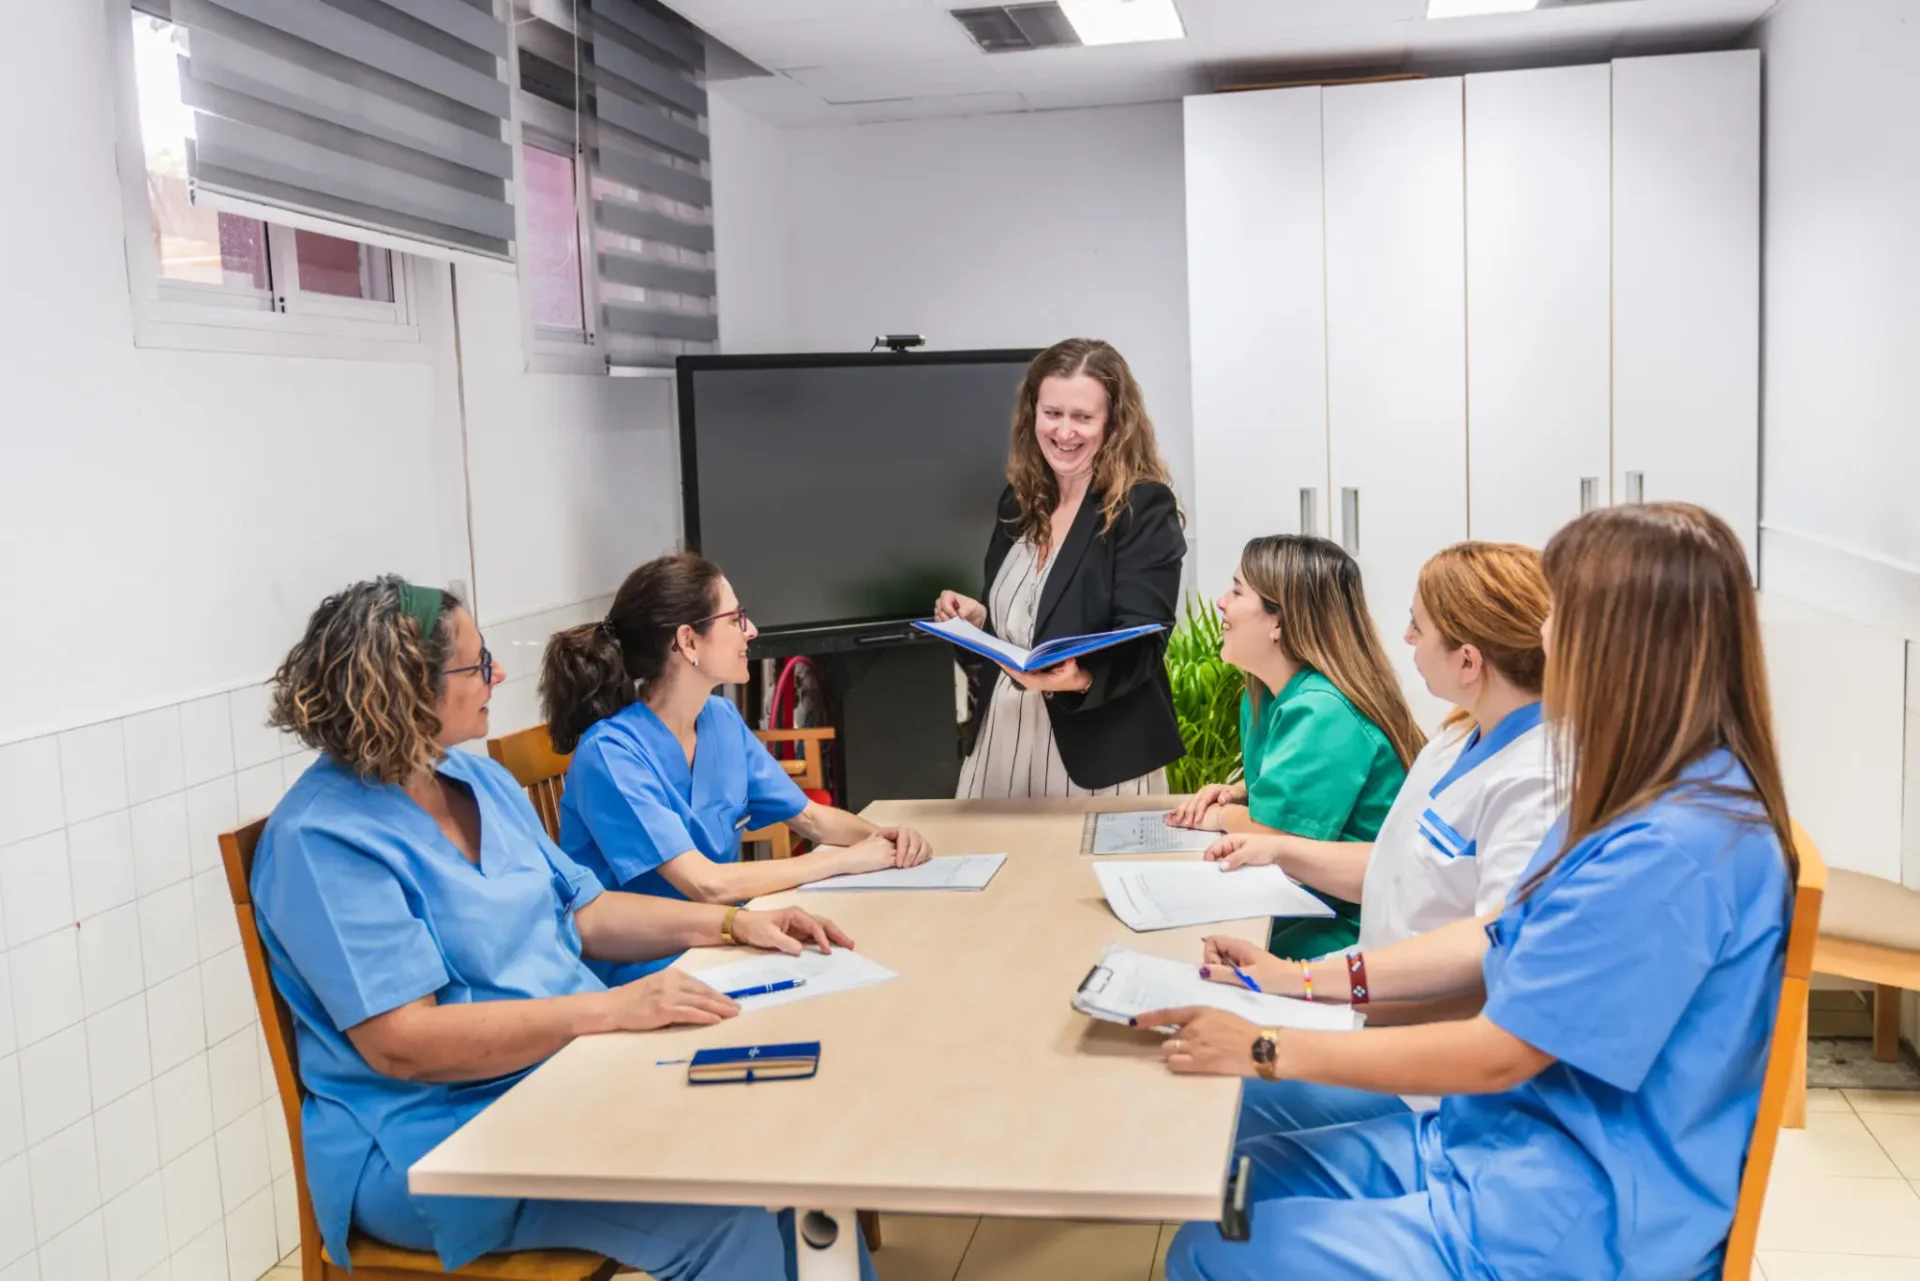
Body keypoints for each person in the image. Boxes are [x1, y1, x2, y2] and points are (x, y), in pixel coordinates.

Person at [1141, 503, 1797, 1281]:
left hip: (1563, 1214)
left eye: (1562, 617)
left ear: (1624, 644)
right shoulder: (1642, 797)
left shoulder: (1672, 847)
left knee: (1210, 1249)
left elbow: (1498, 1053)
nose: (1544, 639)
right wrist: (1297, 981)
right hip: (1494, 1143)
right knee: (1229, 1168)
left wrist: (1264, 1043)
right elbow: (1497, 938)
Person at [253, 577, 868, 1279]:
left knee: (788, 1144)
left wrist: (733, 923)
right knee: (726, 1209)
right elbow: (404, 1044)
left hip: (565, 1078)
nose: (501, 674)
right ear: (402, 688)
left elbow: (589, 913)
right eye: (478, 665)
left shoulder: (476, 782)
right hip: (435, 1141)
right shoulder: (323, 838)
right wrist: (611, 1009)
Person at [1201, 541, 1557, 1139]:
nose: (1407, 638)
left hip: (1423, 1070)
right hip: (1370, 1007)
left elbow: (1493, 966)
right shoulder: (1456, 740)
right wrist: (1282, 851)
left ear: (1468, 661)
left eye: (1418, 626)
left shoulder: (1536, 784)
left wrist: (1304, 988)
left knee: (1219, 1103)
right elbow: (1396, 870)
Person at [543, 553, 932, 982]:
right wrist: (842, 862)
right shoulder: (611, 754)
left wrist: (883, 837)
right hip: (646, 972)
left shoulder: (720, 719)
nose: (752, 631)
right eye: (735, 619)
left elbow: (809, 817)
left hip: (725, 944)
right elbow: (706, 884)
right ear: (688, 642)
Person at [934, 338, 1186, 797]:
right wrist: (975, 623)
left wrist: (1081, 678)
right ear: (1033, 413)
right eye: (1053, 413)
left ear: (1113, 423)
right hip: (1000, 742)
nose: (1064, 432)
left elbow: (1146, 639)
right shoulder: (1018, 502)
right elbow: (1019, 628)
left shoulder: (1142, 507)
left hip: (1096, 753)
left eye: (1083, 417)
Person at [1165, 535, 1423, 958]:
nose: (1220, 603)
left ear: (1279, 622)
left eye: (1236, 590)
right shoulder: (1264, 694)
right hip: (1309, 896)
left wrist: (1221, 815)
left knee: (1198, 960)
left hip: (1357, 919)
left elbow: (1276, 835)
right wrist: (1242, 794)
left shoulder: (1323, 710)